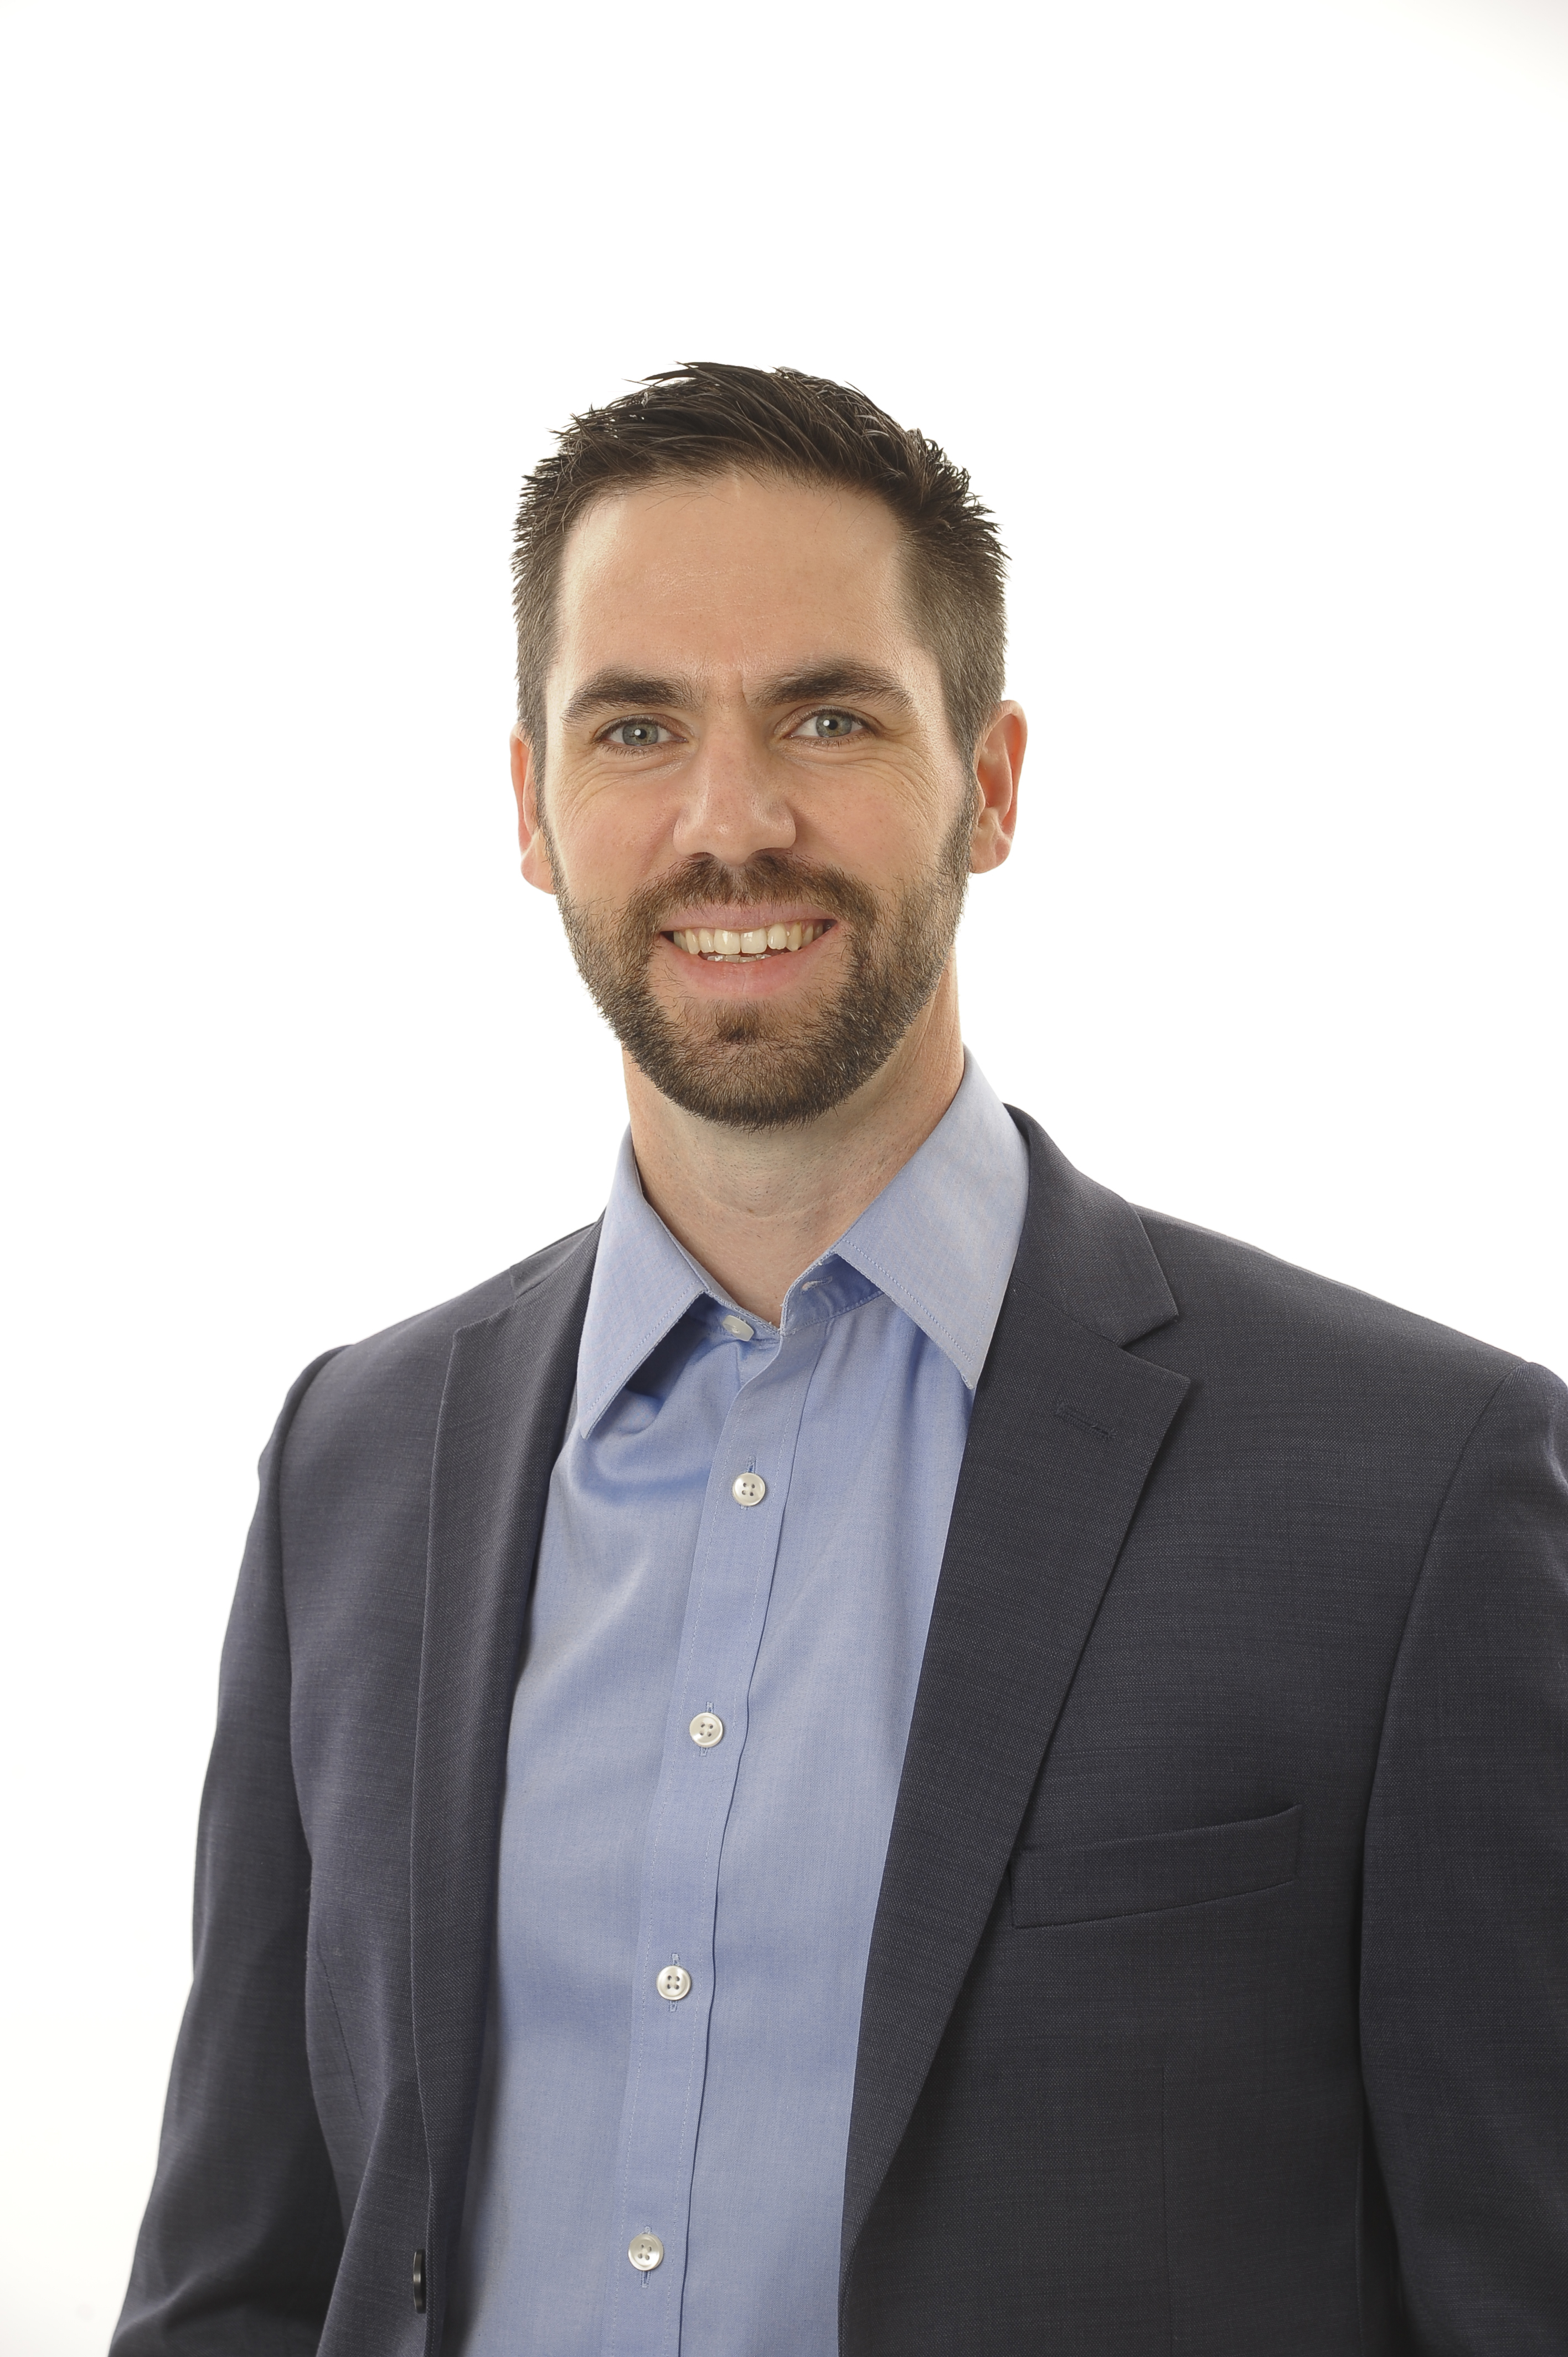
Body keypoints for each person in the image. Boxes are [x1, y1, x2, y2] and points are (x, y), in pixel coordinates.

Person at [112, 363, 1567, 2357]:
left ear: (992, 779)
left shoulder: (1415, 1493)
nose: (734, 822)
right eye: (638, 728)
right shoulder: (352, 1466)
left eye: (828, 715)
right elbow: (244, 2283)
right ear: (532, 809)